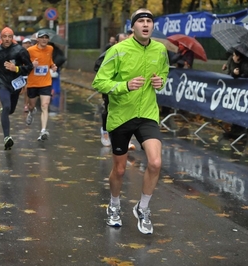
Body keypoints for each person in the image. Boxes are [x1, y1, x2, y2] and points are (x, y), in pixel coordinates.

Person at [92, 8, 169, 234]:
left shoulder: (160, 50)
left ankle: (143, 208)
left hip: (147, 114)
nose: (145, 25)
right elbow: (99, 82)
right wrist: (124, 86)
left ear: (152, 27)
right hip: (121, 115)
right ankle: (114, 205)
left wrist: (160, 81)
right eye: (141, 21)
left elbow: (164, 73)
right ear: (133, 27)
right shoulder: (118, 50)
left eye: (149, 21)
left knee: (155, 163)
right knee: (120, 170)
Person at [0, 27, 33, 150]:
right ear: (1, 38)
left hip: (15, 83)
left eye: (9, 37)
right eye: (4, 37)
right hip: (1, 83)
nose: (7, 39)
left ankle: (5, 112)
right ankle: (7, 138)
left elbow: (29, 66)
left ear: (13, 38)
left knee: (10, 110)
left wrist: (16, 69)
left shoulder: (20, 51)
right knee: (6, 107)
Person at [94, 32, 135, 149]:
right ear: (116, 42)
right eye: (121, 41)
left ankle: (126, 139)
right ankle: (105, 131)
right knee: (109, 109)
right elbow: (97, 66)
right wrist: (109, 75)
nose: (124, 43)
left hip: (126, 87)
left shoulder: (131, 53)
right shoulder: (110, 53)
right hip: (111, 87)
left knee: (127, 110)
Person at [26, 30, 57, 141]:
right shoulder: (30, 50)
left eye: (46, 38)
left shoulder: (50, 49)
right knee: (31, 105)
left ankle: (43, 131)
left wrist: (53, 66)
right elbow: (24, 65)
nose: (44, 39)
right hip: (33, 83)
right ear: (37, 39)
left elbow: (49, 61)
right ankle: (31, 111)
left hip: (45, 82)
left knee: (45, 105)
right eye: (42, 37)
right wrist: (31, 65)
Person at [21, 38, 32, 112]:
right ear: (22, 44)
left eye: (29, 43)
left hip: (30, 73)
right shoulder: (19, 52)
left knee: (27, 89)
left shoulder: (33, 52)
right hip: (21, 72)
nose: (27, 45)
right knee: (21, 91)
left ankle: (26, 105)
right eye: (25, 43)